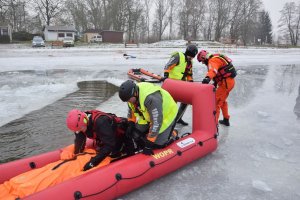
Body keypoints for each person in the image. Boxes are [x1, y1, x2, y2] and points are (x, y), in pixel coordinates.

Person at [118, 80, 178, 155]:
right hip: (147, 116)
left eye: (129, 100)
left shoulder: (151, 99)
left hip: (165, 115)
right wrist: (131, 122)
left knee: (157, 145)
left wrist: (149, 144)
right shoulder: (130, 97)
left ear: (135, 94)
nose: (129, 102)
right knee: (135, 134)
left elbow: (156, 122)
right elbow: (131, 110)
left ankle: (173, 133)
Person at [65, 109, 135, 171]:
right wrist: (77, 155)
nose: (79, 131)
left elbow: (109, 145)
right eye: (77, 131)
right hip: (107, 134)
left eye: (80, 129)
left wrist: (93, 162)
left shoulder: (101, 122)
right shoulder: (80, 123)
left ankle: (128, 152)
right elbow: (80, 140)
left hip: (123, 133)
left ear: (85, 121)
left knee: (113, 154)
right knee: (100, 149)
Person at [197, 50, 237, 126]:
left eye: (202, 61)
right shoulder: (216, 57)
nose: (202, 63)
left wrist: (207, 78)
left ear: (204, 57)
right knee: (222, 101)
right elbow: (218, 71)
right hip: (228, 82)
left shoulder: (213, 60)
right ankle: (226, 119)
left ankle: (213, 125)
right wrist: (215, 83)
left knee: (216, 103)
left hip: (226, 83)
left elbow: (213, 70)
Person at [163, 44, 198, 126]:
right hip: (172, 84)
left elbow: (189, 74)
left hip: (182, 85)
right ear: (187, 53)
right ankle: (168, 121)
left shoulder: (190, 62)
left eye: (192, 57)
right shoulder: (178, 56)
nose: (191, 58)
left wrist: (191, 82)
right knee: (172, 104)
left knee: (185, 102)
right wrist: (166, 76)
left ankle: (178, 118)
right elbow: (168, 66)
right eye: (190, 56)